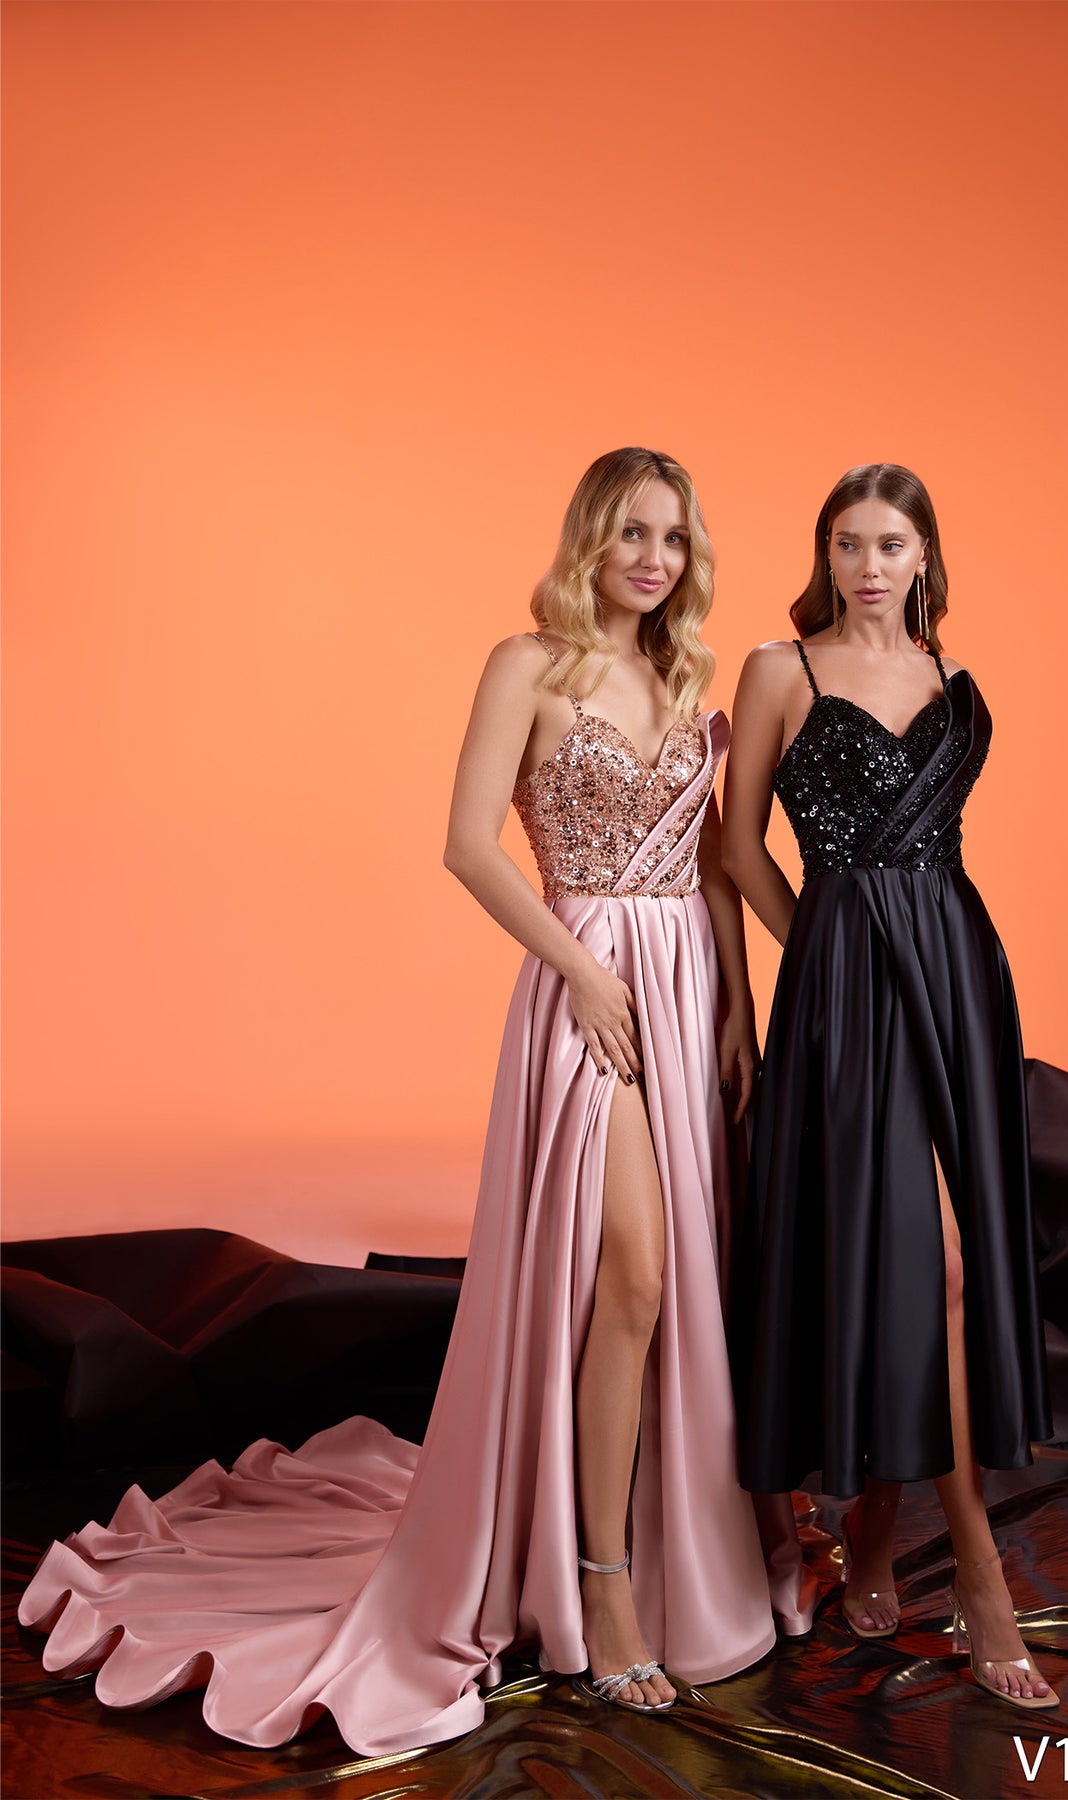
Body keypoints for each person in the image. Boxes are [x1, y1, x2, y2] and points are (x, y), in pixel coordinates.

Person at [20, 447, 813, 1755]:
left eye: (674, 537)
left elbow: (713, 866)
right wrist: (582, 973)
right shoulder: (527, 665)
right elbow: (466, 845)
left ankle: (659, 1548)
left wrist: (737, 1011)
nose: (653, 559)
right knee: (630, 1276)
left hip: (687, 994)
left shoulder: (686, 676)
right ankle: (602, 1589)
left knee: (678, 1290)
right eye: (631, 533)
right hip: (589, 984)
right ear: (589, 538)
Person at [721, 462, 1059, 1711]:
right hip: (846, 991)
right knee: (922, 1264)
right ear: (825, 554)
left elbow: (938, 852)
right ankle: (977, 1569)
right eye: (847, 543)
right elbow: (734, 843)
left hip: (957, 979)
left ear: (924, 557)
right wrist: (819, 950)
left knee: (946, 1270)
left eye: (890, 544)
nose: (868, 565)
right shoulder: (781, 669)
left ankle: (872, 1529)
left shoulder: (951, 679)